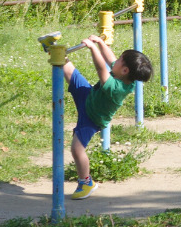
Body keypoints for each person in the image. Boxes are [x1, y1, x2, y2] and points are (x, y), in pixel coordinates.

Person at [61, 35, 152, 199]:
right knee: (68, 70)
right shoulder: (124, 74)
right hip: (89, 97)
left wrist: (93, 48)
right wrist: (101, 43)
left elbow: (101, 69)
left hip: (92, 118)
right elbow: (110, 59)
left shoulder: (117, 88)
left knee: (76, 149)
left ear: (125, 70)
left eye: (120, 61)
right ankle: (55, 50)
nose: (115, 61)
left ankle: (86, 182)